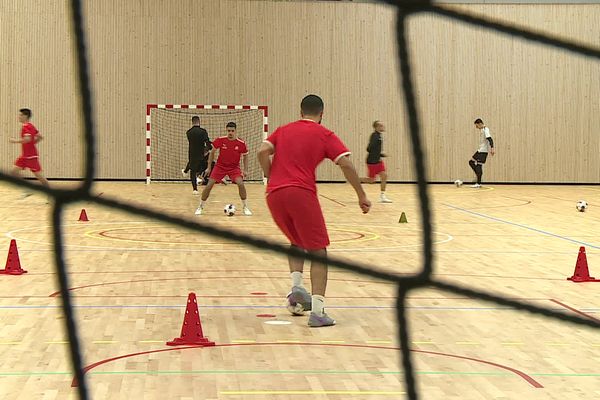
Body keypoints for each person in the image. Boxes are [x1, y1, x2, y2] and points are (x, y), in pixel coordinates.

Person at [258, 95, 371, 328]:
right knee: (319, 251)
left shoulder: (283, 130)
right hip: (300, 193)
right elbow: (347, 164)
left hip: (273, 195)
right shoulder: (324, 134)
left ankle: (297, 290)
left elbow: (261, 152)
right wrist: (361, 195)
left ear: (300, 112)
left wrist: (272, 177)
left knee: (296, 240)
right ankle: (318, 312)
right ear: (322, 113)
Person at [195, 122, 252, 215]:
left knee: (241, 184)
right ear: (226, 130)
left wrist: (245, 170)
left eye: (232, 131)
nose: (230, 133)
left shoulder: (241, 143)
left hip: (234, 168)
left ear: (235, 131)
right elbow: (212, 152)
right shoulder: (220, 140)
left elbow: (245, 156)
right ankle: (200, 206)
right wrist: (209, 167)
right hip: (220, 166)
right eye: (229, 131)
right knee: (209, 185)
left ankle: (245, 207)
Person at [9, 108, 49, 188]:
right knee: (13, 172)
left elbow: (27, 139)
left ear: (26, 116)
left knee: (38, 175)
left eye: (21, 115)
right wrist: (32, 143)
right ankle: (26, 186)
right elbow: (40, 137)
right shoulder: (31, 126)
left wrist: (14, 141)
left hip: (30, 156)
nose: (19, 116)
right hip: (25, 155)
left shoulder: (26, 127)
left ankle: (50, 190)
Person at [360, 120, 392, 203]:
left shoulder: (379, 135)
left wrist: (381, 155)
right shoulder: (374, 136)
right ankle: (357, 179)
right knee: (371, 180)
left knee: (384, 176)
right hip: (372, 161)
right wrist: (376, 154)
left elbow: (376, 149)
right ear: (377, 127)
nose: (383, 127)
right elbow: (369, 148)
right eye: (381, 126)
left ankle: (382, 196)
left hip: (378, 161)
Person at [185, 116, 211, 194]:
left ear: (192, 122)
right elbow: (207, 142)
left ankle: (195, 189)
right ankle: (200, 177)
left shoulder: (188, 132)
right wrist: (208, 149)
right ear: (199, 121)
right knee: (203, 166)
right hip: (202, 153)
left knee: (192, 171)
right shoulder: (203, 131)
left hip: (192, 153)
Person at [469, 118, 495, 188]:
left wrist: (492, 148)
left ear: (480, 124)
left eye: (477, 125)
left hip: (483, 151)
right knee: (471, 162)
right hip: (480, 150)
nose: (476, 127)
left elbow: (490, 139)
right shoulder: (482, 130)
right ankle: (478, 176)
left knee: (479, 165)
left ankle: (478, 182)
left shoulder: (486, 130)